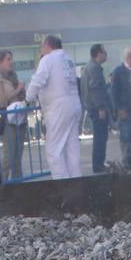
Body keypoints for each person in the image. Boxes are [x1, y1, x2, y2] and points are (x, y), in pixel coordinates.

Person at [27, 34, 83, 179]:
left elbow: (37, 81)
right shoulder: (68, 59)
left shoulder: (48, 59)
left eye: (41, 47)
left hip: (58, 109)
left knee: (54, 151)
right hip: (73, 105)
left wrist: (28, 98)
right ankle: (77, 181)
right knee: (72, 149)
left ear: (48, 45)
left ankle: (62, 185)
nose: (41, 50)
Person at [0, 50, 27, 181]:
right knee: (9, 157)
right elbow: (0, 100)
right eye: (8, 59)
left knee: (18, 156)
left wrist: (23, 93)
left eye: (11, 59)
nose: (11, 62)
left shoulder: (13, 76)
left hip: (20, 119)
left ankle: (18, 183)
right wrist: (17, 90)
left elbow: (22, 96)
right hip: (7, 122)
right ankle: (2, 182)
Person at [82, 44, 113, 173]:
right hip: (97, 108)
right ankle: (98, 165)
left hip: (91, 107)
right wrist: (101, 108)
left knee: (100, 136)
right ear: (98, 54)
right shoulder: (94, 68)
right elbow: (95, 89)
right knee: (100, 137)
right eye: (104, 52)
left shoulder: (89, 67)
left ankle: (99, 163)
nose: (106, 54)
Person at [110, 45, 131, 169]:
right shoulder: (118, 72)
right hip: (124, 109)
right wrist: (118, 109)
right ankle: (126, 161)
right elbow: (114, 92)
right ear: (130, 57)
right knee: (125, 136)